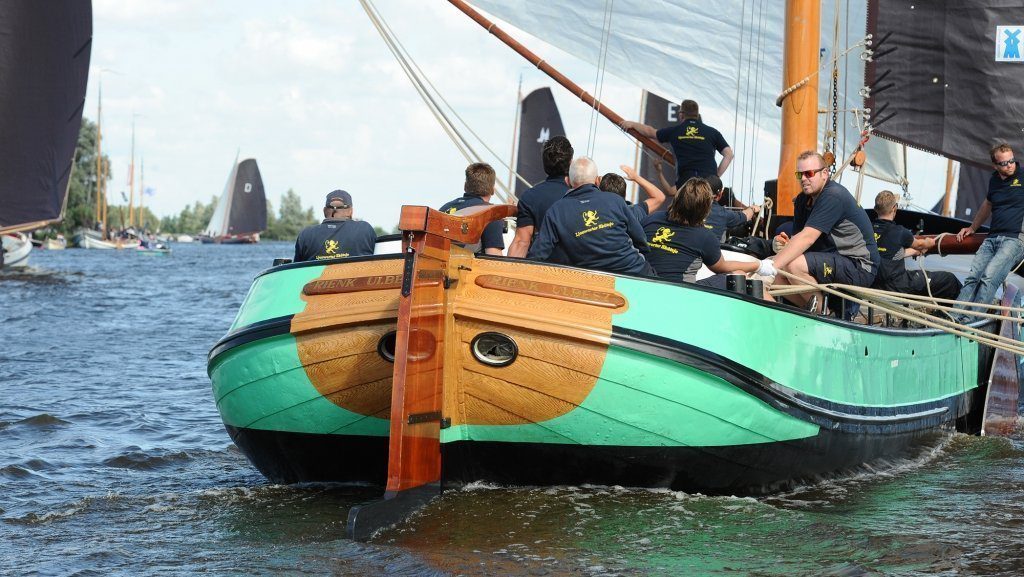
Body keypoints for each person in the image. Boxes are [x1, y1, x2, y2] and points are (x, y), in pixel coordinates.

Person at [765, 151, 880, 312]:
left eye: (809, 173)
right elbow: (798, 239)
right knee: (776, 273)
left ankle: (824, 315)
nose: (804, 178)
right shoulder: (801, 200)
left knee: (791, 265)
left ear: (824, 173)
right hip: (834, 259)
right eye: (800, 174)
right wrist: (782, 244)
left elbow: (807, 238)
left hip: (860, 265)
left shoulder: (833, 195)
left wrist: (769, 265)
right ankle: (806, 311)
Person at [527, 157, 652, 275]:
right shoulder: (615, 200)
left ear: (568, 181)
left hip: (590, 278)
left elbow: (538, 255)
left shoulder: (556, 211)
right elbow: (641, 240)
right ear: (597, 180)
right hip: (634, 272)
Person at [642, 177, 764, 285]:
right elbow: (722, 267)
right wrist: (759, 265)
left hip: (645, 284)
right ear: (706, 209)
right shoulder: (705, 235)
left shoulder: (652, 218)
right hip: (681, 292)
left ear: (678, 198)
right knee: (739, 276)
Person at [953, 143, 1024, 318]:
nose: (1010, 165)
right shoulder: (994, 180)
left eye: (1012, 161)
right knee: (972, 278)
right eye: (1004, 163)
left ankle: (970, 322)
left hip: (1014, 239)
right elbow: (987, 205)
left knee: (988, 278)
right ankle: (954, 318)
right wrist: (972, 228)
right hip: (992, 237)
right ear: (995, 166)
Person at [621, 99, 734, 186]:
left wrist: (632, 124)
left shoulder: (674, 131)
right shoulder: (713, 132)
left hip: (686, 183)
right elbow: (729, 154)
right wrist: (716, 176)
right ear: (697, 114)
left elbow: (650, 132)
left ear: (681, 115)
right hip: (709, 184)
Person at [872, 190, 962, 299]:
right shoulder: (900, 232)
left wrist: (915, 251)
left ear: (875, 209)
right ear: (894, 208)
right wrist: (929, 242)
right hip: (897, 285)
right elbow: (921, 245)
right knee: (949, 280)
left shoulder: (868, 229)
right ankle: (958, 313)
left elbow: (889, 253)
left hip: (875, 283)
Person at [508, 136, 574, 258]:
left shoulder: (529, 197)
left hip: (541, 268)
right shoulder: (581, 195)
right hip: (576, 270)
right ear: (571, 162)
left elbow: (521, 242)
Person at [439, 162, 505, 256]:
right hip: (467, 269)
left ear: (465, 186)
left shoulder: (444, 209)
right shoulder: (491, 213)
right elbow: (494, 256)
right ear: (493, 190)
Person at [293, 190, 377, 262]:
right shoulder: (364, 229)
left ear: (325, 211)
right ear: (351, 211)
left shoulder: (306, 235)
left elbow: (295, 270)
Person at [598, 164, 666, 222]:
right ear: (624, 193)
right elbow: (659, 197)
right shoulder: (633, 212)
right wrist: (636, 177)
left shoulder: (597, 215)